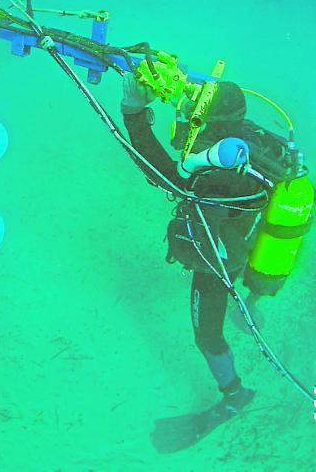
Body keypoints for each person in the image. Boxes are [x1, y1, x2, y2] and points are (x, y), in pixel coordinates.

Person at [120, 75, 264, 450]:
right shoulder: (250, 140)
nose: (187, 115)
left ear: (211, 124)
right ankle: (252, 302)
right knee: (246, 267)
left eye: (196, 114)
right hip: (248, 237)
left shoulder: (215, 179)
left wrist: (133, 114)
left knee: (207, 336)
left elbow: (160, 172)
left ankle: (234, 394)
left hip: (219, 264)